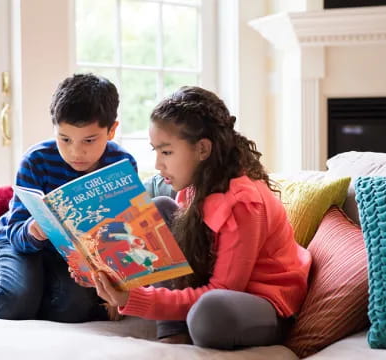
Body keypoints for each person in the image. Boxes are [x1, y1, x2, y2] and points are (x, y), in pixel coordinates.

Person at [89, 86, 312, 349]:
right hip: (217, 293)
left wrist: (136, 299)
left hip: (262, 305)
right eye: (156, 152)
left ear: (202, 149)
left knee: (209, 312)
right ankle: (173, 333)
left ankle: (182, 329)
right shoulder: (192, 187)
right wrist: (100, 267)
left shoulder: (243, 204)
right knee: (159, 210)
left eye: (167, 152)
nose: (159, 164)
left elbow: (223, 290)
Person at [0, 73, 137, 323]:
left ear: (111, 131)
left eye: (89, 140)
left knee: (73, 309)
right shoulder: (37, 161)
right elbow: (16, 234)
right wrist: (33, 230)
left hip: (69, 257)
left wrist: (117, 287)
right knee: (11, 304)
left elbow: (119, 235)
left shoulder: (122, 165)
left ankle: (37, 294)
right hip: (19, 243)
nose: (76, 151)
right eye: (64, 139)